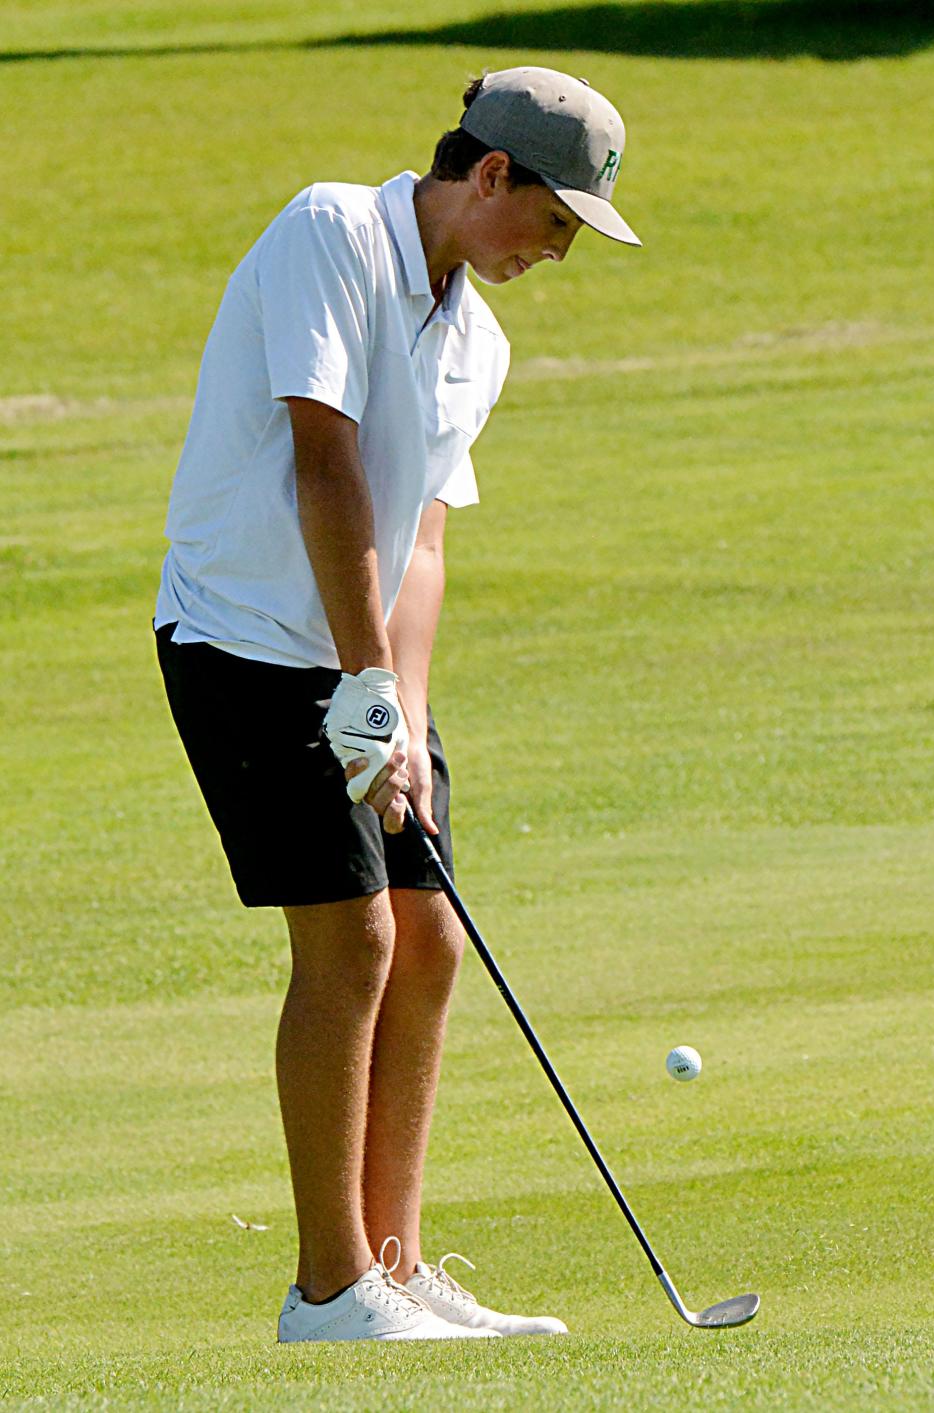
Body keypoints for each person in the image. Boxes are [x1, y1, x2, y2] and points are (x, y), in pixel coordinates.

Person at [154, 65, 641, 1344]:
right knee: (355, 941)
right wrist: (359, 681)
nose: (557, 253)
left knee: (430, 939)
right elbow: (325, 467)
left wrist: (404, 715)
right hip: (247, 642)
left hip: (361, 661)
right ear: (491, 173)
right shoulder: (329, 231)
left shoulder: (478, 340)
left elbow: (421, 531)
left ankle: (397, 1263)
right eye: (555, 221)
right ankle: (327, 1291)